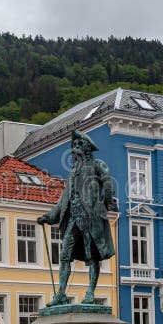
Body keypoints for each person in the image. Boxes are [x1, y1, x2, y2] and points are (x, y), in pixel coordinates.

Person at [37, 130, 116, 306]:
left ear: (88, 148)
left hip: (91, 217)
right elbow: (63, 199)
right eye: (74, 145)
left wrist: (105, 203)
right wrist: (49, 217)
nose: (76, 148)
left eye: (80, 145)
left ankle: (90, 292)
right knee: (65, 254)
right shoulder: (72, 172)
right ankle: (61, 294)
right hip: (73, 217)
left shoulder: (97, 165)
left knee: (92, 255)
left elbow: (108, 183)